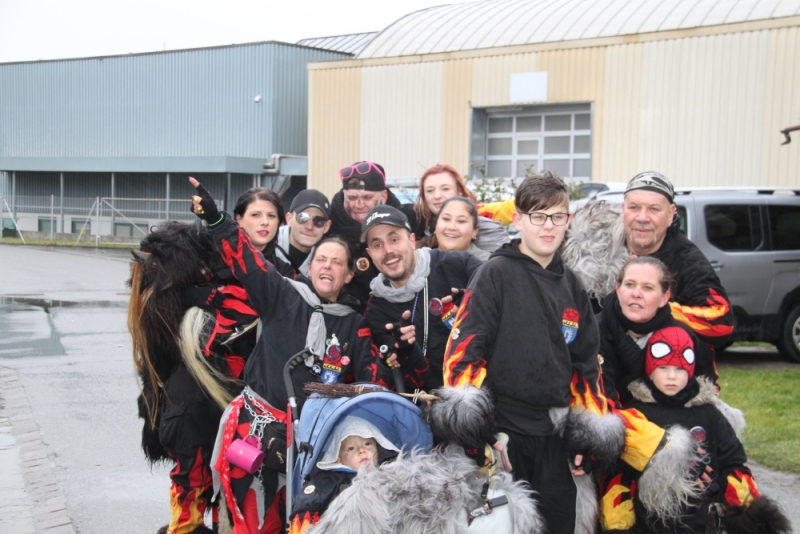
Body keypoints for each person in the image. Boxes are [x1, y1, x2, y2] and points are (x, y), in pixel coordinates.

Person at [189, 177, 385, 534]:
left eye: (337, 263)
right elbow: (247, 261)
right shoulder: (281, 294)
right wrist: (217, 220)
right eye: (321, 259)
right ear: (310, 268)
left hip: (316, 444)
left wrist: (334, 395)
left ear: (347, 275)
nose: (327, 266)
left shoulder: (355, 325)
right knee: (253, 524)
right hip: (256, 432)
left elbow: (371, 387)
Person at [443, 171, 625, 534]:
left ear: (568, 221)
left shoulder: (572, 285)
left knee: (559, 522)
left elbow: (586, 365)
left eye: (557, 216)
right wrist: (480, 433)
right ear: (518, 220)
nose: (548, 226)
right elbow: (463, 354)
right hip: (504, 432)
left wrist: (586, 436)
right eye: (538, 216)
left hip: (554, 434)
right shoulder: (495, 273)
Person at [128, 222, 259, 534]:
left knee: (223, 480)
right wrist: (196, 295)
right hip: (192, 408)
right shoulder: (167, 303)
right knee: (195, 478)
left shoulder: (211, 290)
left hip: (216, 404)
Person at [600, 326, 791, 534]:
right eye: (663, 368)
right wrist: (619, 525)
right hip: (648, 523)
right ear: (650, 372)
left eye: (680, 369)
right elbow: (620, 475)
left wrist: (749, 516)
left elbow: (733, 462)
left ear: (691, 372)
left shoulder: (709, 414)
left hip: (700, 522)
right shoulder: (637, 415)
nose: (671, 376)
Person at [362, 204, 483, 390]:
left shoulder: (456, 265)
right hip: (423, 402)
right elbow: (405, 381)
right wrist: (406, 353)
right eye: (377, 245)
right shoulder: (377, 310)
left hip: (475, 394)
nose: (387, 250)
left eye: (394, 239)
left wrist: (473, 308)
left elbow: (502, 299)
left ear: (412, 240)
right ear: (370, 254)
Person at [620, 172, 734, 352]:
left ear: (670, 214)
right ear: (623, 210)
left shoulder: (688, 261)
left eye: (653, 209)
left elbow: (722, 322)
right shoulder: (596, 252)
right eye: (634, 207)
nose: (642, 218)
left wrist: (656, 308)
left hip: (666, 365)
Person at [599, 256, 717, 406]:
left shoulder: (682, 335)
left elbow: (705, 386)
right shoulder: (594, 333)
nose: (636, 294)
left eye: (647, 288)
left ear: (664, 297)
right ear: (618, 290)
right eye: (629, 285)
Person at [288, 416, 399, 533]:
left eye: (367, 444)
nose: (361, 450)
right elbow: (308, 503)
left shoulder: (392, 475)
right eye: (351, 448)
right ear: (338, 459)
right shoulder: (330, 479)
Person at [327, 161, 412, 312]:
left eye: (367, 197)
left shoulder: (407, 221)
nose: (359, 204)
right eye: (352, 198)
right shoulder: (327, 226)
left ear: (384, 196)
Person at [411, 163, 510, 254]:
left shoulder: (488, 228)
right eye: (430, 190)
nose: (437, 196)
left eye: (445, 189)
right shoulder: (425, 228)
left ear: (459, 192)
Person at [232, 187, 295, 277]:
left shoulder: (284, 272)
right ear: (239, 219)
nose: (265, 222)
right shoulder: (220, 261)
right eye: (256, 215)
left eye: (271, 216)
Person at [275, 189, 332, 277]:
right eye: (302, 218)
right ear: (289, 219)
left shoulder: (327, 262)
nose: (309, 227)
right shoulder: (267, 246)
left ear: (327, 226)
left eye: (318, 221)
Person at [419, 196, 490, 261]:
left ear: (474, 231)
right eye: (446, 219)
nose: (451, 227)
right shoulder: (421, 260)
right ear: (436, 226)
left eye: (461, 221)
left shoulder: (486, 264)